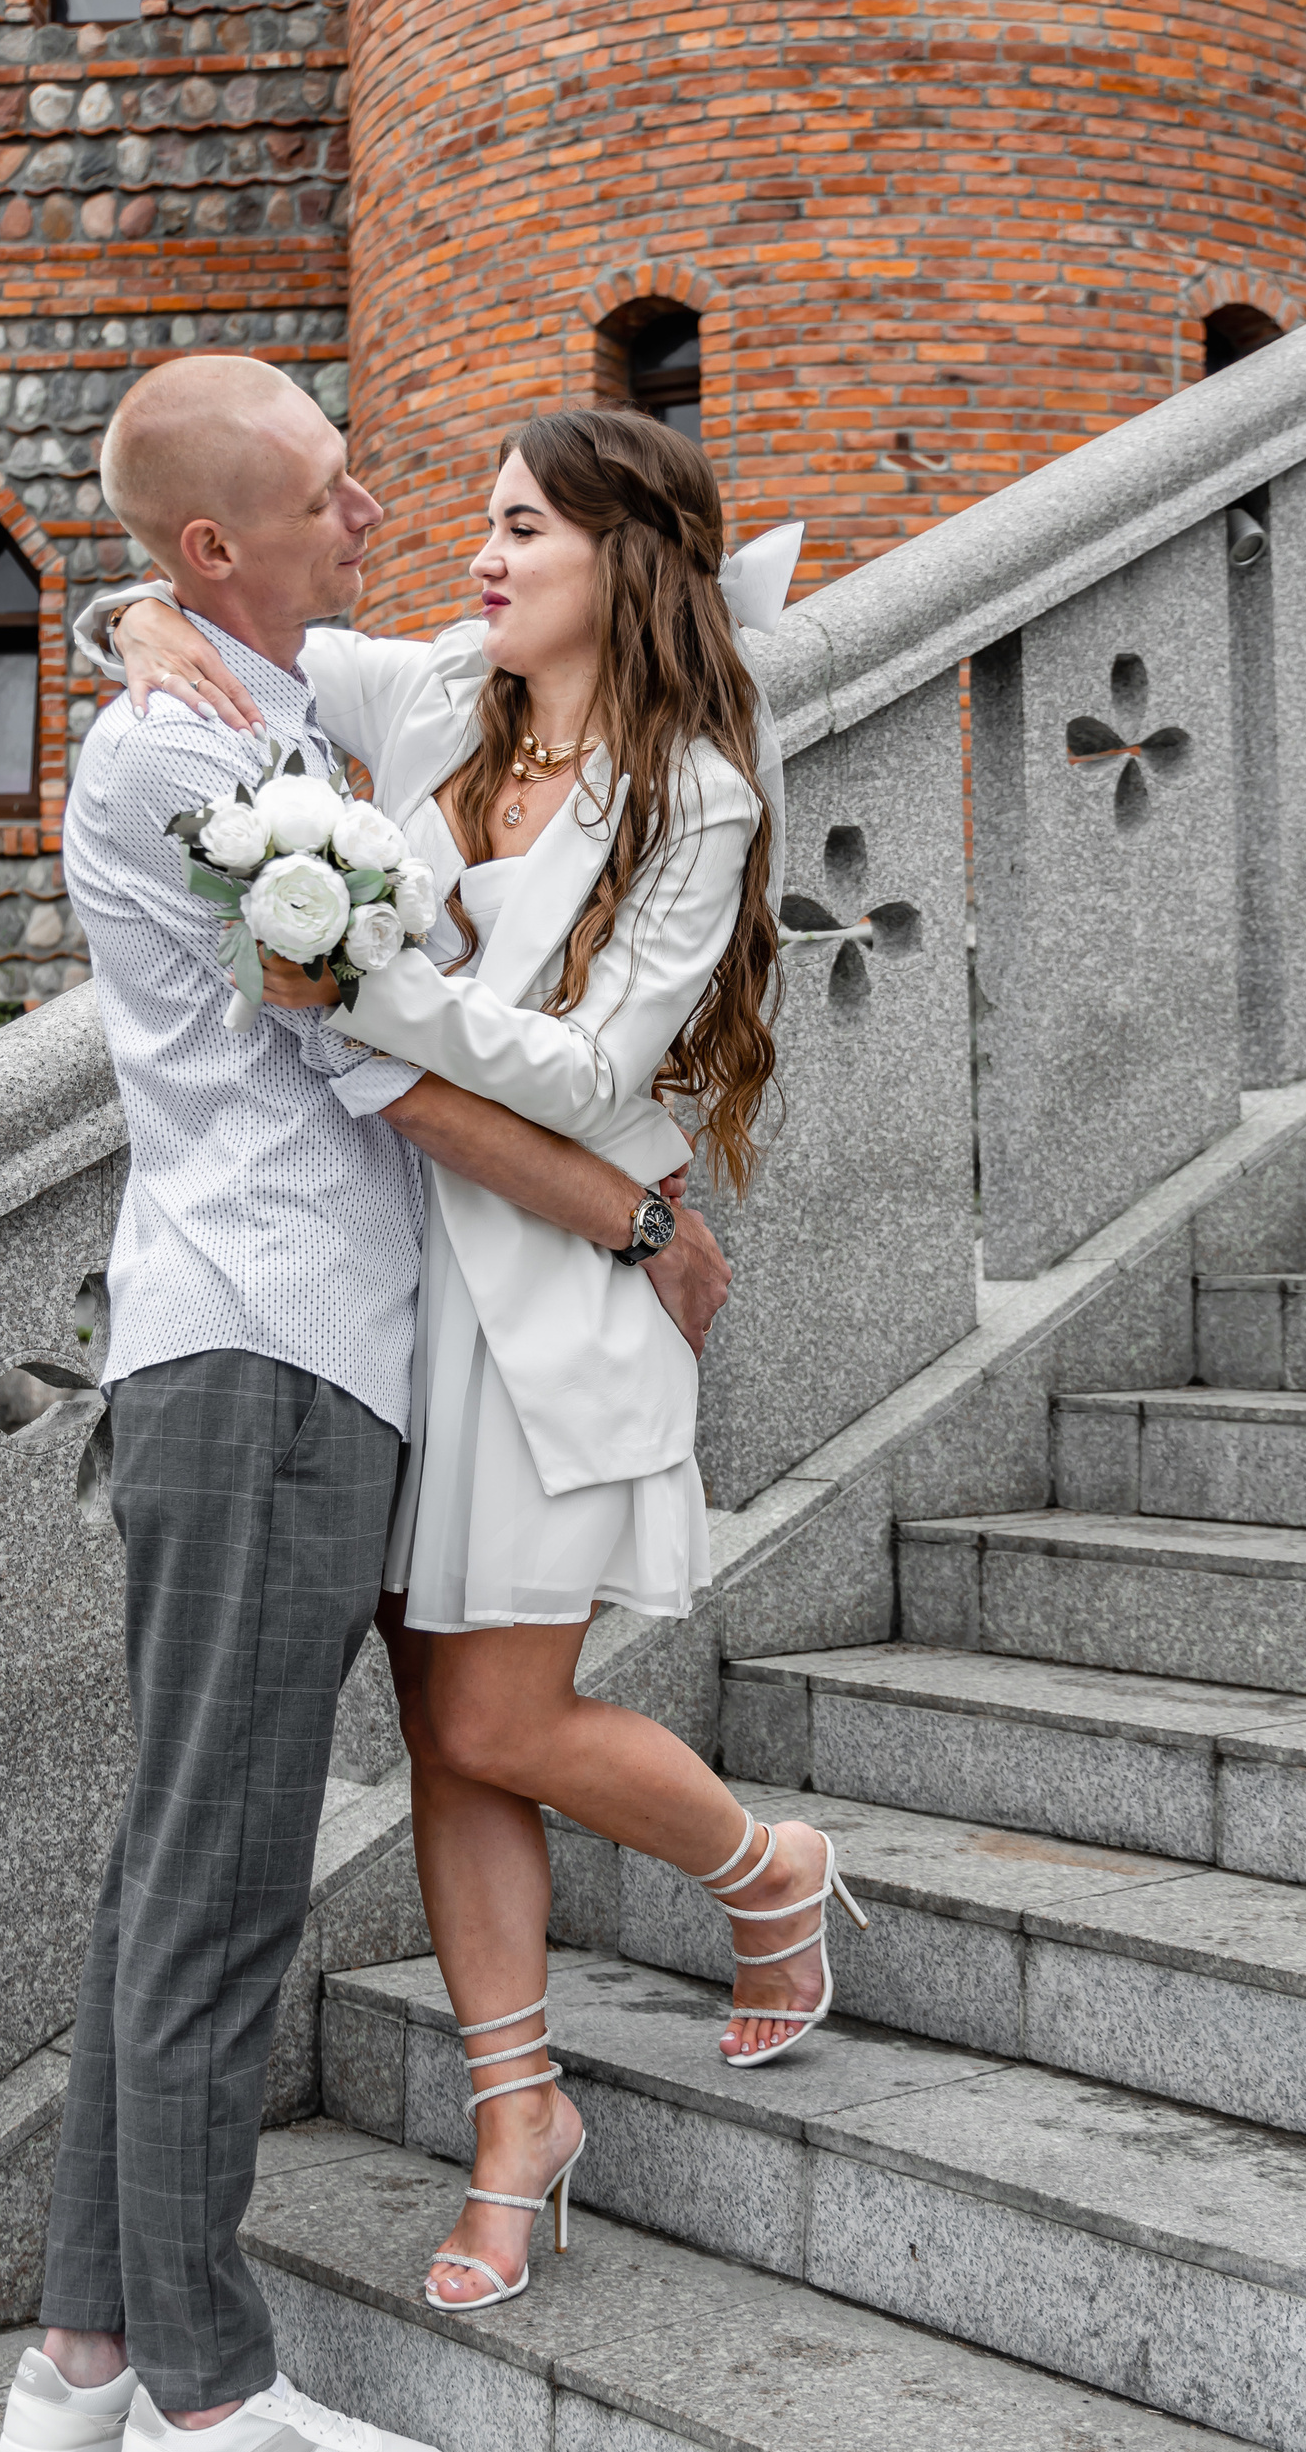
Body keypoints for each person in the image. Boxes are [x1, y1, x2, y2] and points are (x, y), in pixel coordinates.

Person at [0, 356, 734, 2452]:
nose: (379, 518)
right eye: (335, 490)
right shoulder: (181, 765)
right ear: (227, 543)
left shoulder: (265, 713)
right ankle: (210, 2415)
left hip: (301, 1357)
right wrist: (637, 1216)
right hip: (268, 1352)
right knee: (219, 1889)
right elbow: (364, 1071)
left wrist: (144, 608)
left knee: (175, 1867)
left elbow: (524, 648)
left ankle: (82, 2356)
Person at [81, 393, 869, 2328]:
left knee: (500, 1720)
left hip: (565, 1283)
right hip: (400, 1285)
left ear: (624, 560)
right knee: (445, 1728)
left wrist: (372, 988)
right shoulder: (441, 694)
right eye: (489, 524)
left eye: (524, 529)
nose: (480, 555)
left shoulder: (696, 800)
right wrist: (136, 620)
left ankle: (767, 1865)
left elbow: (596, 1075)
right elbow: (236, 645)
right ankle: (519, 2117)